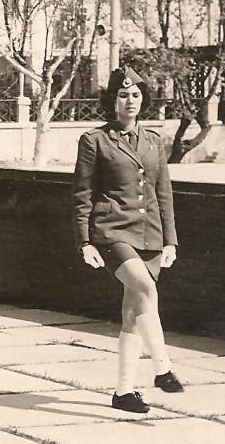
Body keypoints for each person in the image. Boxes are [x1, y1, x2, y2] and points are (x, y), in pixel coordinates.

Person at [73, 66, 184, 415]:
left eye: (135, 95)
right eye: (123, 95)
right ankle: (163, 368)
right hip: (112, 231)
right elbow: (82, 195)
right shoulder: (94, 140)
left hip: (149, 234)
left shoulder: (154, 140)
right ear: (112, 101)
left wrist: (170, 241)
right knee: (146, 289)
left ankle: (123, 392)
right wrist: (84, 242)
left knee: (133, 313)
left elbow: (163, 193)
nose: (130, 101)